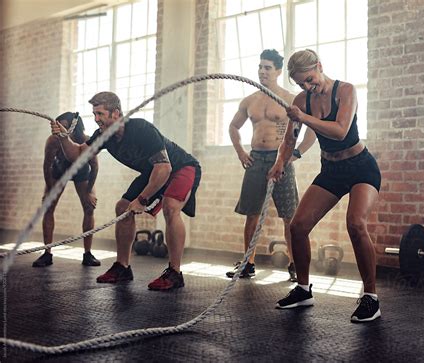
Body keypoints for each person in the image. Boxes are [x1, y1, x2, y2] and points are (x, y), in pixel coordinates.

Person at [268, 49, 382, 323]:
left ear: (320, 65)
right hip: (331, 169)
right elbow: (290, 139)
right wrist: (280, 161)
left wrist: (303, 117)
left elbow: (340, 130)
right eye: (300, 84)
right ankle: (304, 289)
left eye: (309, 79)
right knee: (297, 226)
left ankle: (371, 297)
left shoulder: (346, 91)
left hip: (360, 167)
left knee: (355, 223)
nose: (307, 87)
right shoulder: (301, 100)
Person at [50, 92, 201, 290]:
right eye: (94, 114)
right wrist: (63, 137)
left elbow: (164, 168)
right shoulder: (103, 136)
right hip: (153, 170)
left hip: (181, 167)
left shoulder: (140, 128)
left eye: (101, 114)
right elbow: (77, 154)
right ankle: (122, 267)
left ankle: (175, 273)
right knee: (122, 208)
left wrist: (143, 199)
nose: (96, 119)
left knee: (171, 207)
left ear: (116, 113)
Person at [227, 49, 315, 281]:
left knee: (290, 216)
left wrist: (295, 154)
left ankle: (295, 264)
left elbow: (312, 130)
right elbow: (233, 127)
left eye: (267, 67)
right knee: (252, 215)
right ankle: (248, 263)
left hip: (281, 161)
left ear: (277, 71)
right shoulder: (250, 101)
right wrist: (240, 152)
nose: (262, 71)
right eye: (260, 67)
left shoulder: (290, 99)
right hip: (256, 160)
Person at [33, 112, 100, 267]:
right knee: (48, 207)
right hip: (59, 170)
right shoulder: (53, 141)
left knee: (89, 208)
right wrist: (49, 189)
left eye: (62, 125)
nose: (58, 128)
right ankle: (47, 253)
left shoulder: (86, 140)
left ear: (72, 127)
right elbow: (46, 166)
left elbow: (94, 167)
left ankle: (88, 254)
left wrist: (90, 191)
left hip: (81, 171)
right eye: (57, 125)